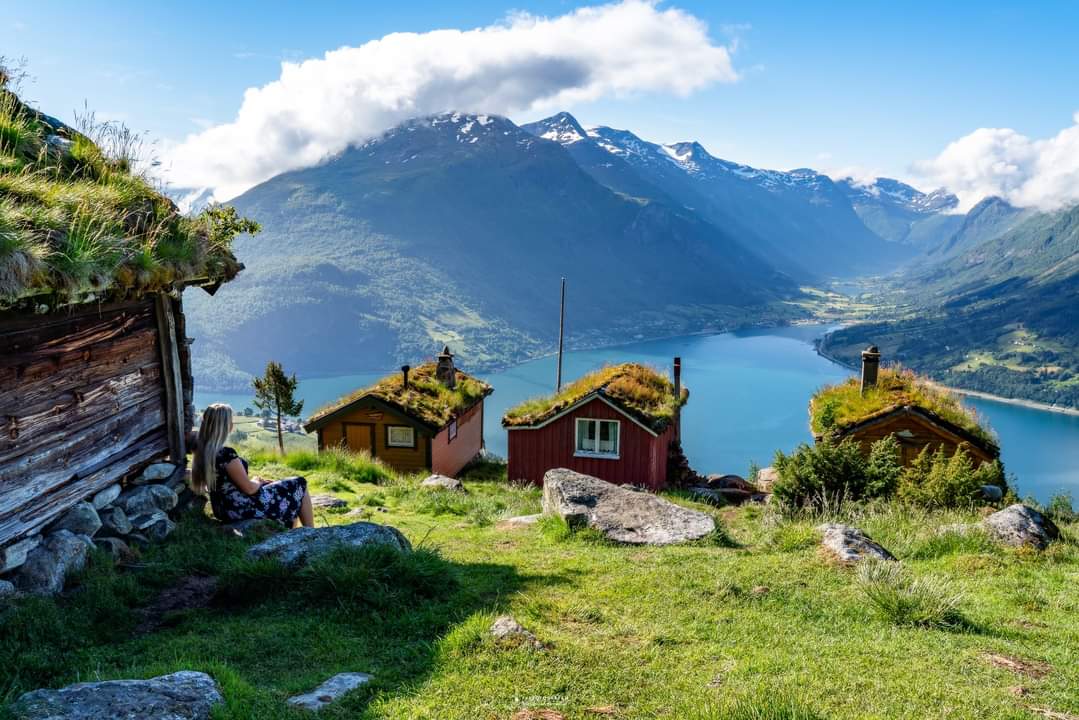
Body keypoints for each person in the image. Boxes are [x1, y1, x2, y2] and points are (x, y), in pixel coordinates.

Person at [191, 403, 314, 528]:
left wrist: (261, 483)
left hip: (223, 509)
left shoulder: (203, 452)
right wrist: (257, 481)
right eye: (231, 421)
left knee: (280, 488)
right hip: (241, 507)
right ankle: (311, 533)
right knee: (299, 483)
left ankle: (294, 533)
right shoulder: (225, 455)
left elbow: (228, 484)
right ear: (226, 426)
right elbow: (249, 489)